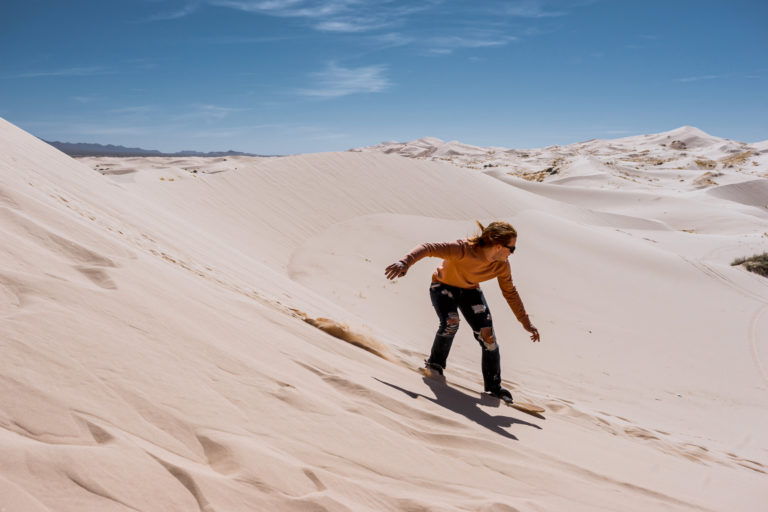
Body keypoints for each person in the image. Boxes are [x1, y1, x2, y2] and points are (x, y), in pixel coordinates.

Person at [385, 221, 540, 401]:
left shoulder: (502, 265)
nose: (512, 253)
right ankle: (435, 365)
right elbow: (428, 247)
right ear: (498, 246)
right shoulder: (463, 249)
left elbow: (510, 293)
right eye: (511, 248)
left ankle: (494, 386)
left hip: (470, 291)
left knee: (488, 336)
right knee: (451, 322)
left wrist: (526, 322)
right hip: (442, 287)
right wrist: (405, 262)